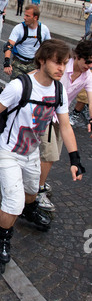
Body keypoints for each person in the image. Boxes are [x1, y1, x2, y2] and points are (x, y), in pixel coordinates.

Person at [0, 39, 85, 268]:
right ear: (42, 60)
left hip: (32, 153)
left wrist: (75, 159)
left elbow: (65, 125)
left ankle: (29, 209)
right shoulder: (20, 86)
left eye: (64, 63)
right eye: (57, 62)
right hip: (9, 152)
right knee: (13, 202)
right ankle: (2, 237)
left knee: (32, 191)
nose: (62, 68)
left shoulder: (58, 90)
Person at [38, 39, 92, 210]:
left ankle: (37, 180)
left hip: (61, 116)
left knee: (54, 155)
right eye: (87, 61)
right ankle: (37, 192)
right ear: (77, 57)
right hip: (43, 112)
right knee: (50, 153)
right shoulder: (61, 65)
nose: (89, 66)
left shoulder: (88, 76)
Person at [3, 4, 51, 79]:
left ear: (35, 17)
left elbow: (49, 48)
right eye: (25, 15)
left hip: (34, 64)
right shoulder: (18, 28)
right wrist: (6, 63)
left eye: (28, 16)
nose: (24, 18)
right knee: (17, 87)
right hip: (18, 63)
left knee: (31, 88)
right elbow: (9, 46)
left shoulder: (44, 30)